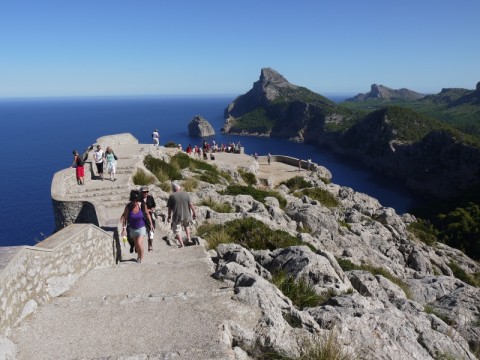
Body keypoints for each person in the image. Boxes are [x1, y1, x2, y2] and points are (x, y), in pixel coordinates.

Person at [120, 189, 154, 263]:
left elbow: (147, 214)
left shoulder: (142, 205)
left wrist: (151, 224)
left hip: (142, 227)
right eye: (133, 201)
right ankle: (138, 256)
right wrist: (124, 229)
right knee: (137, 244)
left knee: (139, 242)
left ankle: (141, 259)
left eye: (136, 200)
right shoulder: (128, 207)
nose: (135, 202)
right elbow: (124, 218)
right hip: (132, 228)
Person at [167, 181, 197, 248]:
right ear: (179, 187)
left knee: (177, 230)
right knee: (187, 226)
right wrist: (194, 213)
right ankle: (189, 239)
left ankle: (182, 244)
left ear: (173, 188)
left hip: (177, 216)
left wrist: (169, 216)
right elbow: (191, 204)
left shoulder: (172, 196)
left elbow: (169, 208)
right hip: (186, 214)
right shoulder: (186, 194)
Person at [140, 185, 156, 252]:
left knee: (151, 232)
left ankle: (150, 245)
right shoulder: (138, 199)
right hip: (141, 218)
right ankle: (140, 247)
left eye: (147, 192)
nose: (146, 193)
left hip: (150, 217)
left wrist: (152, 209)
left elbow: (153, 206)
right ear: (141, 192)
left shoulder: (150, 198)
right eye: (144, 192)